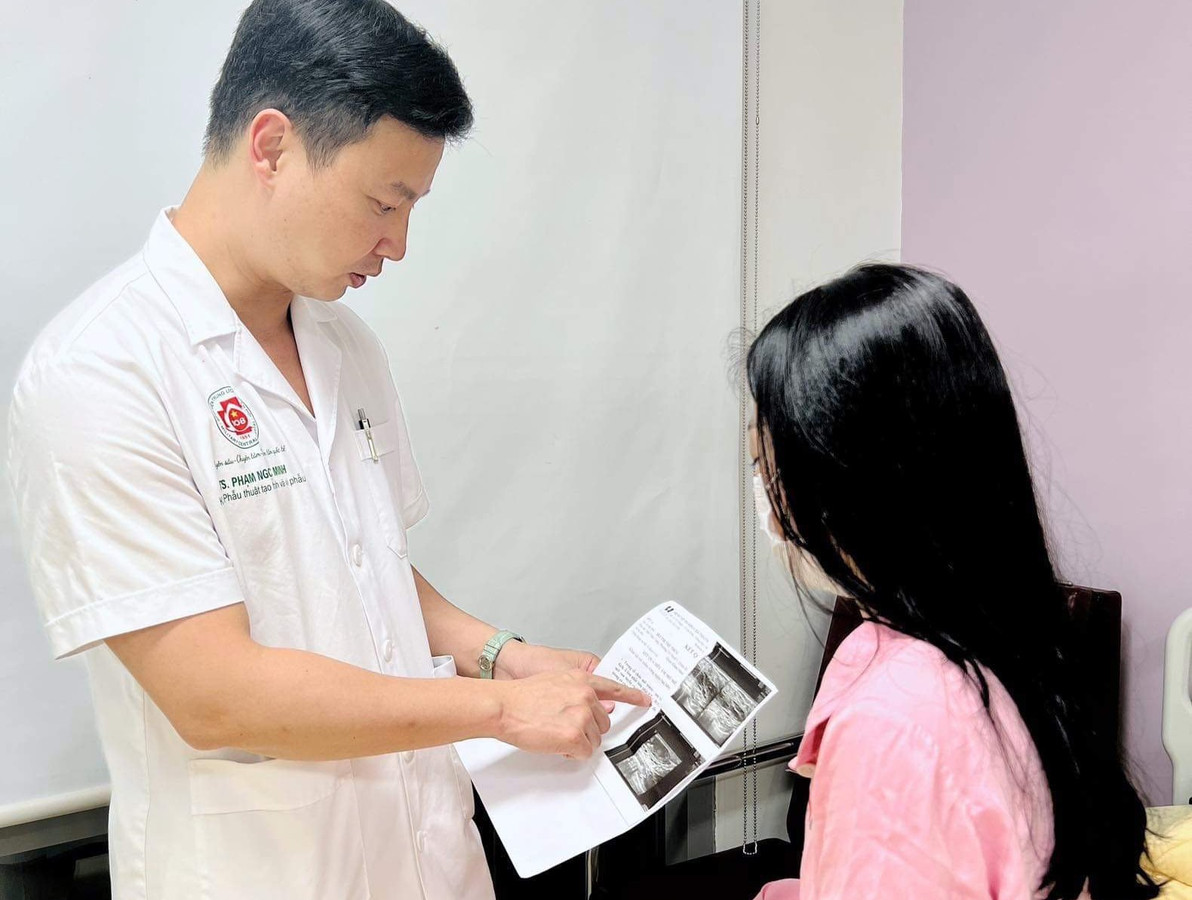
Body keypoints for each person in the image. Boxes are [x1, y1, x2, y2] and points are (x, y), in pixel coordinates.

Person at [6, 2, 648, 898]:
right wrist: (502, 707)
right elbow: (214, 695)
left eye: (412, 208)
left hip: (427, 858)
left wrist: (499, 653)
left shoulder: (344, 344)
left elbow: (366, 566)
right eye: (384, 203)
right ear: (271, 147)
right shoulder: (101, 370)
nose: (398, 244)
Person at [746, 264, 1158, 899]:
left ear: (851, 482)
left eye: (768, 465)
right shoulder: (1008, 637)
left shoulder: (893, 722)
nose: (769, 505)